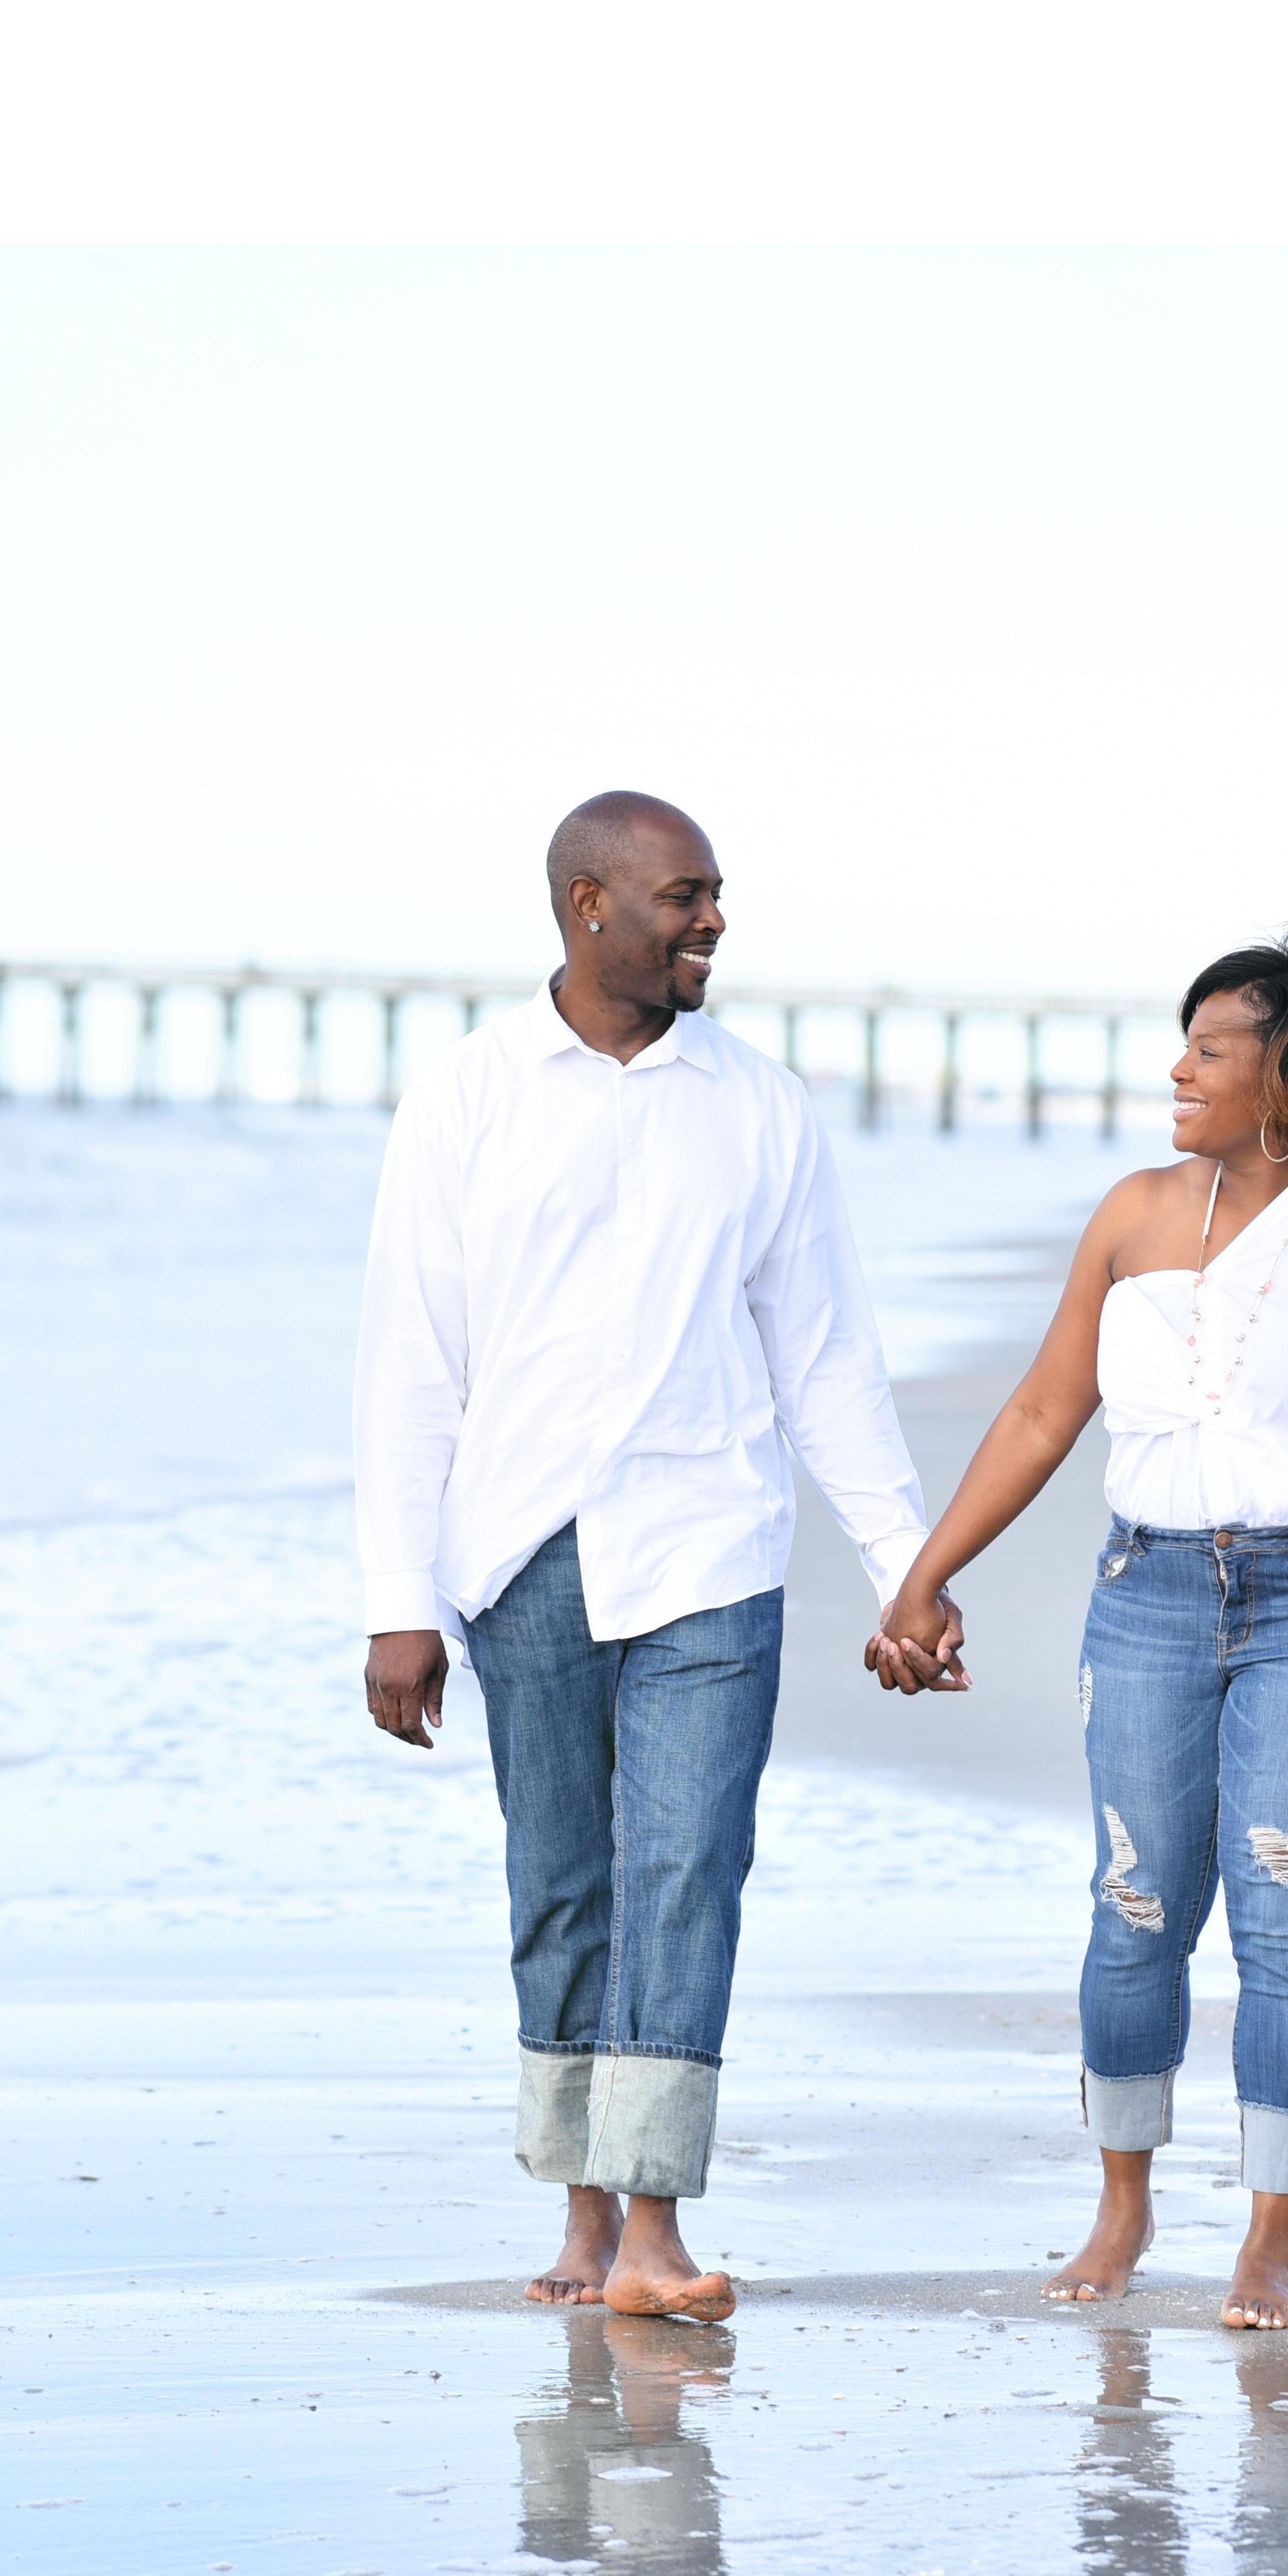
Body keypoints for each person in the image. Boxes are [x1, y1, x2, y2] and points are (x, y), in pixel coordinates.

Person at [357, 791, 931, 2324]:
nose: (713, 920)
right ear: (587, 903)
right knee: (560, 1880)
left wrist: (905, 1563)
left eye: (715, 894)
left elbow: (823, 1354)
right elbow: (409, 1359)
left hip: (709, 1545)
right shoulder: (467, 1096)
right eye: (686, 895)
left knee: (688, 1867)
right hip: (520, 1551)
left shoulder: (760, 1106)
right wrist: (397, 1599)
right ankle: (582, 2204)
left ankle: (656, 2225)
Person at [866, 931, 1288, 2329]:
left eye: (1210, 1049)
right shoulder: (1134, 1214)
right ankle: (1122, 2204)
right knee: (1134, 1902)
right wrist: (924, 1576)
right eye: (1185, 1044)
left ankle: (1270, 2240)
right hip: (1144, 1591)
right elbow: (1043, 1412)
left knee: (1287, 1919)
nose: (1179, 1070)